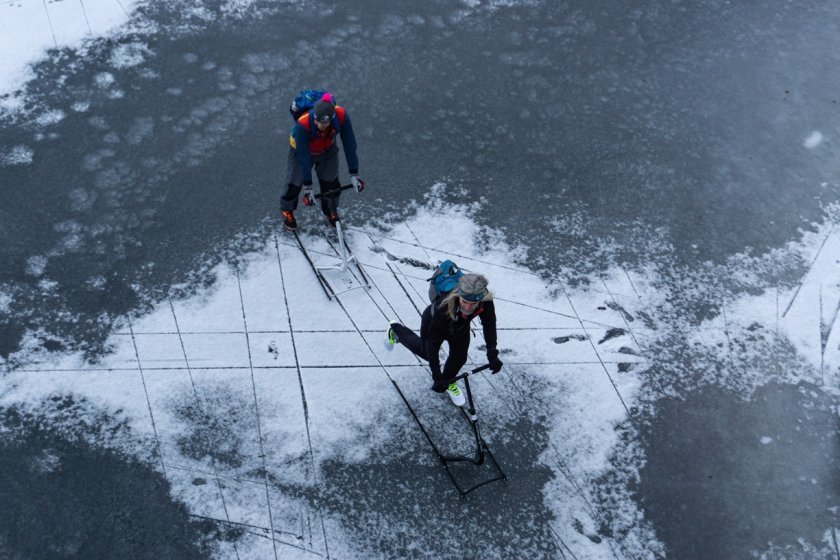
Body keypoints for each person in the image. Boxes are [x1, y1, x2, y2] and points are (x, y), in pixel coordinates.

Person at [386, 273, 504, 406]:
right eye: (464, 302)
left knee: (459, 358)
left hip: (460, 325)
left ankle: (448, 381)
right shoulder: (443, 306)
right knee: (427, 353)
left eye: (473, 304)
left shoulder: (484, 299)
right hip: (434, 322)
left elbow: (489, 323)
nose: (468, 308)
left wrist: (492, 352)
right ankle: (395, 330)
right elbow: (433, 343)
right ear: (458, 295)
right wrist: (436, 376)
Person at [281, 92, 364, 231]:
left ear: (331, 119)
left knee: (331, 182)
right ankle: (287, 210)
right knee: (294, 183)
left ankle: (330, 210)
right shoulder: (302, 124)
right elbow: (303, 157)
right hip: (301, 150)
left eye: (324, 122)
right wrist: (308, 187)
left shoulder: (342, 115)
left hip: (327, 148)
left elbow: (350, 144)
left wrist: (354, 174)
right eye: (316, 120)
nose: (319, 124)